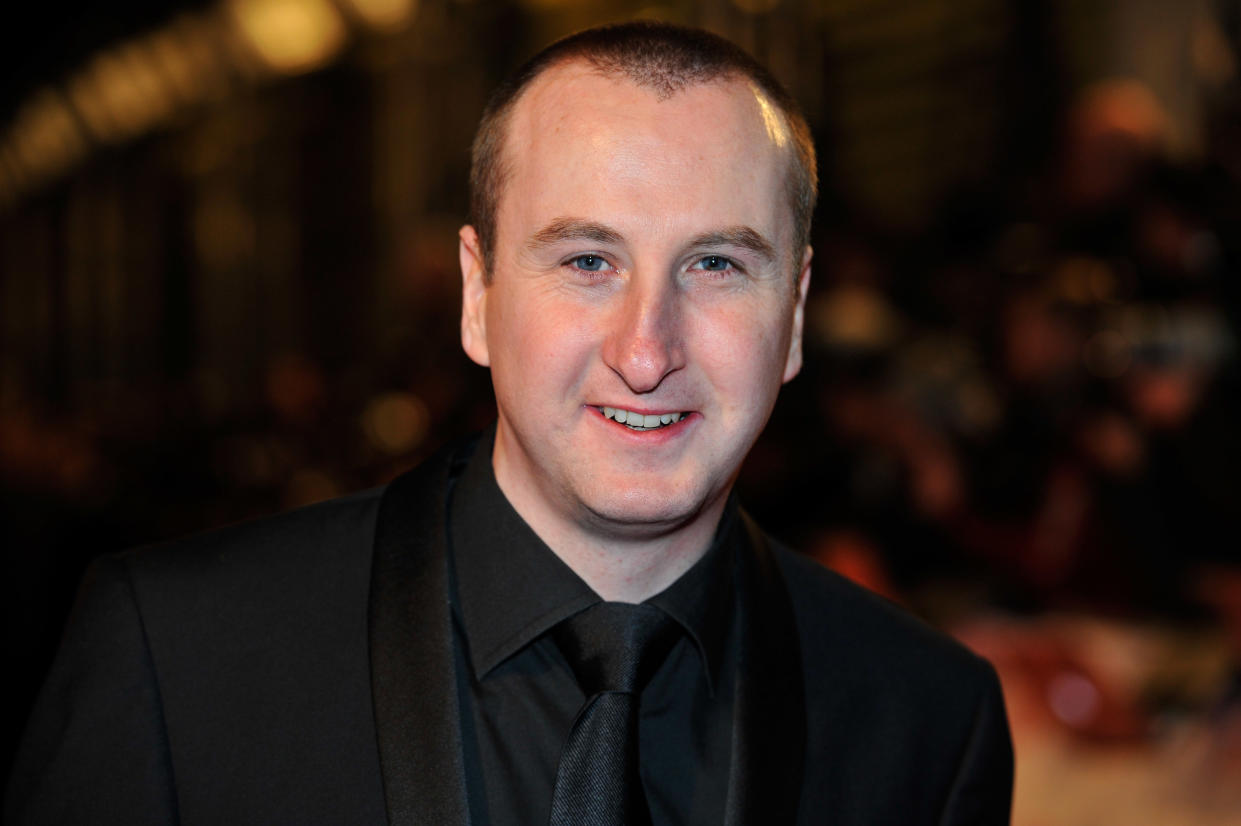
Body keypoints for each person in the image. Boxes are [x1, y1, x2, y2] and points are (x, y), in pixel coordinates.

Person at [5, 21, 1012, 826]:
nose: (646, 348)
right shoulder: (179, 658)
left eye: (714, 264)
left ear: (791, 318)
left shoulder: (925, 721)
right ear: (476, 297)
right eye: (586, 261)